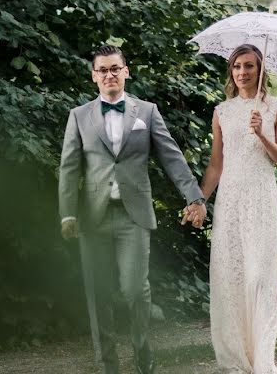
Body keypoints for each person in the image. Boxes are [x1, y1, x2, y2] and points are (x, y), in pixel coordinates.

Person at [59, 45, 207, 374]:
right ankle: (107, 365)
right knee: (98, 293)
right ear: (93, 75)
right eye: (103, 70)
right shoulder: (79, 116)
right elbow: (69, 169)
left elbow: (171, 156)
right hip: (93, 217)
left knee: (134, 289)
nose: (109, 74)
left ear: (126, 71)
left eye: (115, 68)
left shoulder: (147, 112)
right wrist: (67, 213)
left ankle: (142, 350)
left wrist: (194, 197)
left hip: (133, 216)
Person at [182, 43, 277, 374]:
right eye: (237, 67)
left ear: (260, 71)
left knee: (260, 278)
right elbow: (216, 166)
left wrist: (262, 134)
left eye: (249, 66)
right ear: (231, 72)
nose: (242, 72)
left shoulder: (276, 108)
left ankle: (262, 359)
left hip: (261, 200)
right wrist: (198, 200)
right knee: (230, 278)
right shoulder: (222, 112)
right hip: (230, 202)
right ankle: (235, 360)